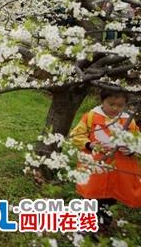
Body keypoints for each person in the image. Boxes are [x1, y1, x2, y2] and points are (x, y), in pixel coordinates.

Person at [69, 89, 141, 231]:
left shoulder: (128, 121)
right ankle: (84, 225)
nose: (115, 108)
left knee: (109, 198)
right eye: (111, 104)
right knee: (89, 195)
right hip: (94, 168)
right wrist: (89, 144)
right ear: (102, 101)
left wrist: (131, 149)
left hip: (116, 170)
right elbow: (77, 135)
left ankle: (103, 224)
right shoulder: (91, 117)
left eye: (120, 105)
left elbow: (137, 140)